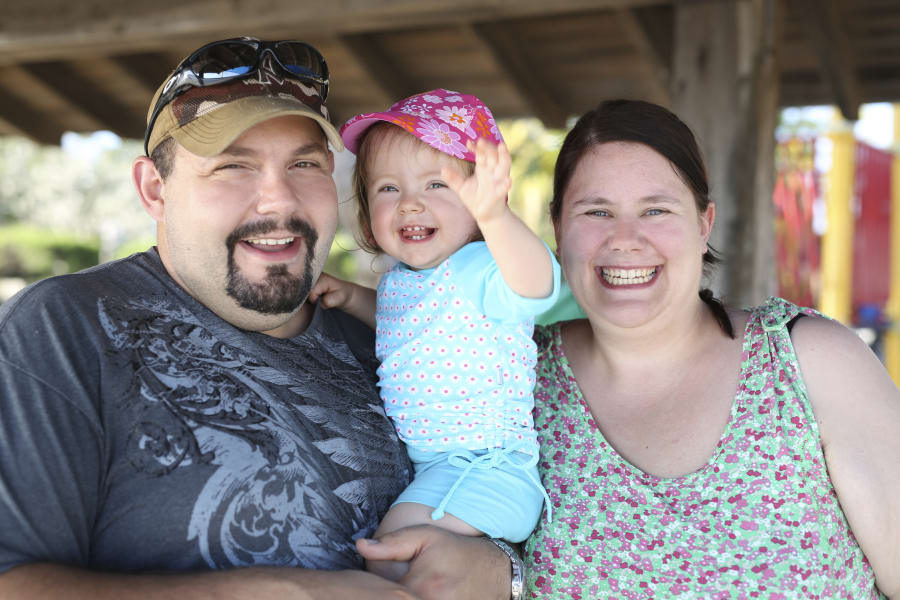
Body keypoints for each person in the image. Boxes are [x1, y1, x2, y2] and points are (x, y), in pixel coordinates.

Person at [0, 38, 515, 600]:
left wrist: (501, 572)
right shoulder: (60, 328)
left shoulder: (392, 338)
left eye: (304, 164)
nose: (278, 201)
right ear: (154, 189)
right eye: (233, 167)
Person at [523, 99, 900, 598]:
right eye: (597, 211)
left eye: (655, 210)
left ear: (704, 223)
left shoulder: (810, 363)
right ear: (557, 226)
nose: (625, 239)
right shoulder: (514, 376)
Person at [310, 88, 560, 580]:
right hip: (441, 470)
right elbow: (407, 327)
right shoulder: (403, 282)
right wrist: (350, 296)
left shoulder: (481, 267)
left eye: (436, 186)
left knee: (392, 550)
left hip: (487, 469)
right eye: (388, 189)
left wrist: (496, 218)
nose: (409, 205)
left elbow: (539, 290)